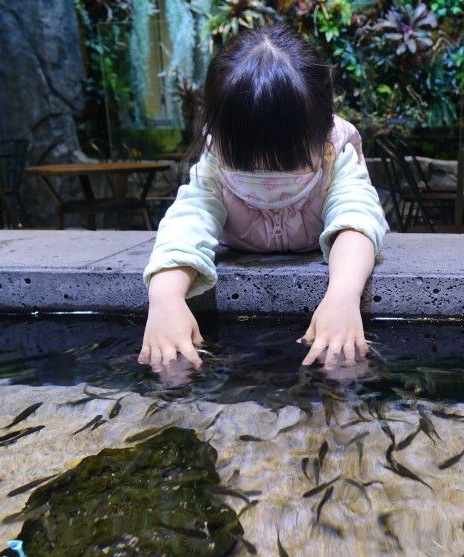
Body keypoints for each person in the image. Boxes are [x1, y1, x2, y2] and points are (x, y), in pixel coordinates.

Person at [138, 25, 388, 374]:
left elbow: (357, 218)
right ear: (222, 139)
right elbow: (186, 221)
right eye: (246, 164)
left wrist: (343, 296)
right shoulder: (214, 165)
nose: (267, 178)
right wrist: (165, 299)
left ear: (321, 136)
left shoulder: (335, 156)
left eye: (285, 164)